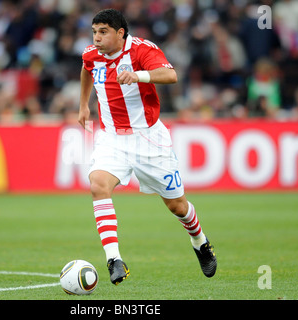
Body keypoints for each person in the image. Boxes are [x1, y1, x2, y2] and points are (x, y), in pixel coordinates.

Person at [78, 8, 217, 285]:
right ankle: (114, 259)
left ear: (120, 33)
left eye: (103, 32)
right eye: (94, 32)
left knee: (177, 206)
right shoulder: (91, 54)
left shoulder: (142, 50)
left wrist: (138, 76)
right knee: (98, 185)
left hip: (149, 139)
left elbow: (170, 75)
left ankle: (200, 242)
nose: (96, 38)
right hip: (112, 138)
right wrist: (83, 104)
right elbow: (86, 69)